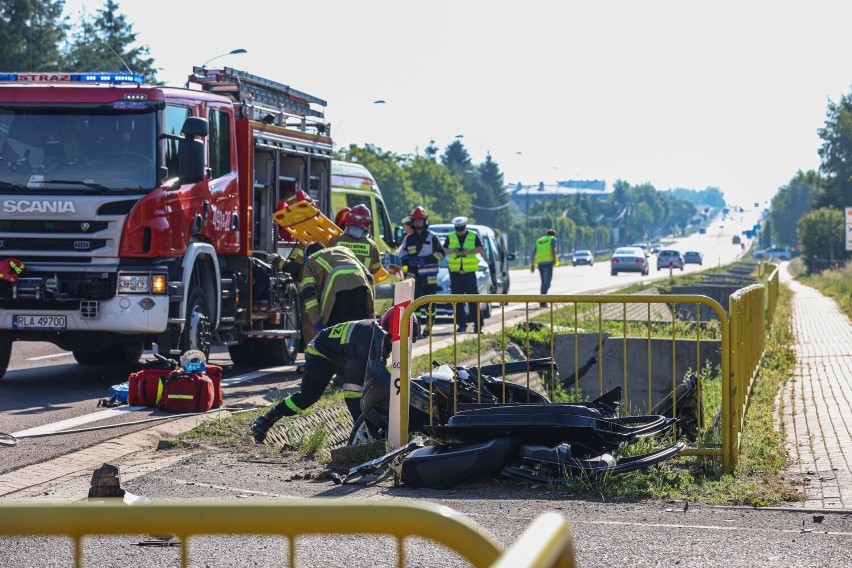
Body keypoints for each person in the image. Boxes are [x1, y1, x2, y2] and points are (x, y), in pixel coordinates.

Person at [250, 310, 410, 443]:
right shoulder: (367, 340)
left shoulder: (380, 334)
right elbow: (352, 391)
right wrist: (364, 428)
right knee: (308, 397)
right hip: (321, 352)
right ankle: (266, 420)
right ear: (392, 333)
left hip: (343, 353)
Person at [299, 242, 375, 345]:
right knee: (358, 334)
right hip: (361, 287)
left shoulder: (311, 259)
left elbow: (308, 292)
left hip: (338, 295)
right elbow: (369, 277)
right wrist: (370, 308)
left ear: (309, 254)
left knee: (337, 338)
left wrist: (316, 321)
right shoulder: (344, 250)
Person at [397, 206, 445, 336]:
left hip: (429, 278)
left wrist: (427, 260)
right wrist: (408, 262)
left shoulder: (432, 237)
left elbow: (441, 254)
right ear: (413, 221)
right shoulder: (409, 239)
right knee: (415, 305)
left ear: (425, 221)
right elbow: (401, 256)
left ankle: (429, 326)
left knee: (430, 305)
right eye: (416, 220)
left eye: (420, 220)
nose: (418, 223)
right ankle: (416, 329)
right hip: (415, 277)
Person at [443, 216, 486, 333]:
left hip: (469, 273)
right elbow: (444, 250)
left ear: (465, 227)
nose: (460, 232)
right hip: (455, 273)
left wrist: (469, 251)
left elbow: (482, 249)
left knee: (473, 299)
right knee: (458, 301)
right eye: (458, 230)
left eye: (461, 229)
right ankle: (461, 324)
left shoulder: (473, 235)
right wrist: (453, 250)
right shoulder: (451, 236)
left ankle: (478, 325)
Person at [328, 204, 384, 281]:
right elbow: (375, 269)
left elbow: (327, 263)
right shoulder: (372, 245)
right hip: (362, 288)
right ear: (368, 224)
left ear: (348, 220)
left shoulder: (335, 241)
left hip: (337, 286)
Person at [530, 228, 557, 307]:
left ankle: (542, 300)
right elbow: (553, 250)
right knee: (547, 283)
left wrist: (532, 264)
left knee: (543, 282)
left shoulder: (539, 241)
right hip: (548, 263)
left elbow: (533, 253)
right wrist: (554, 259)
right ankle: (543, 301)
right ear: (553, 234)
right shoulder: (552, 239)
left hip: (540, 264)